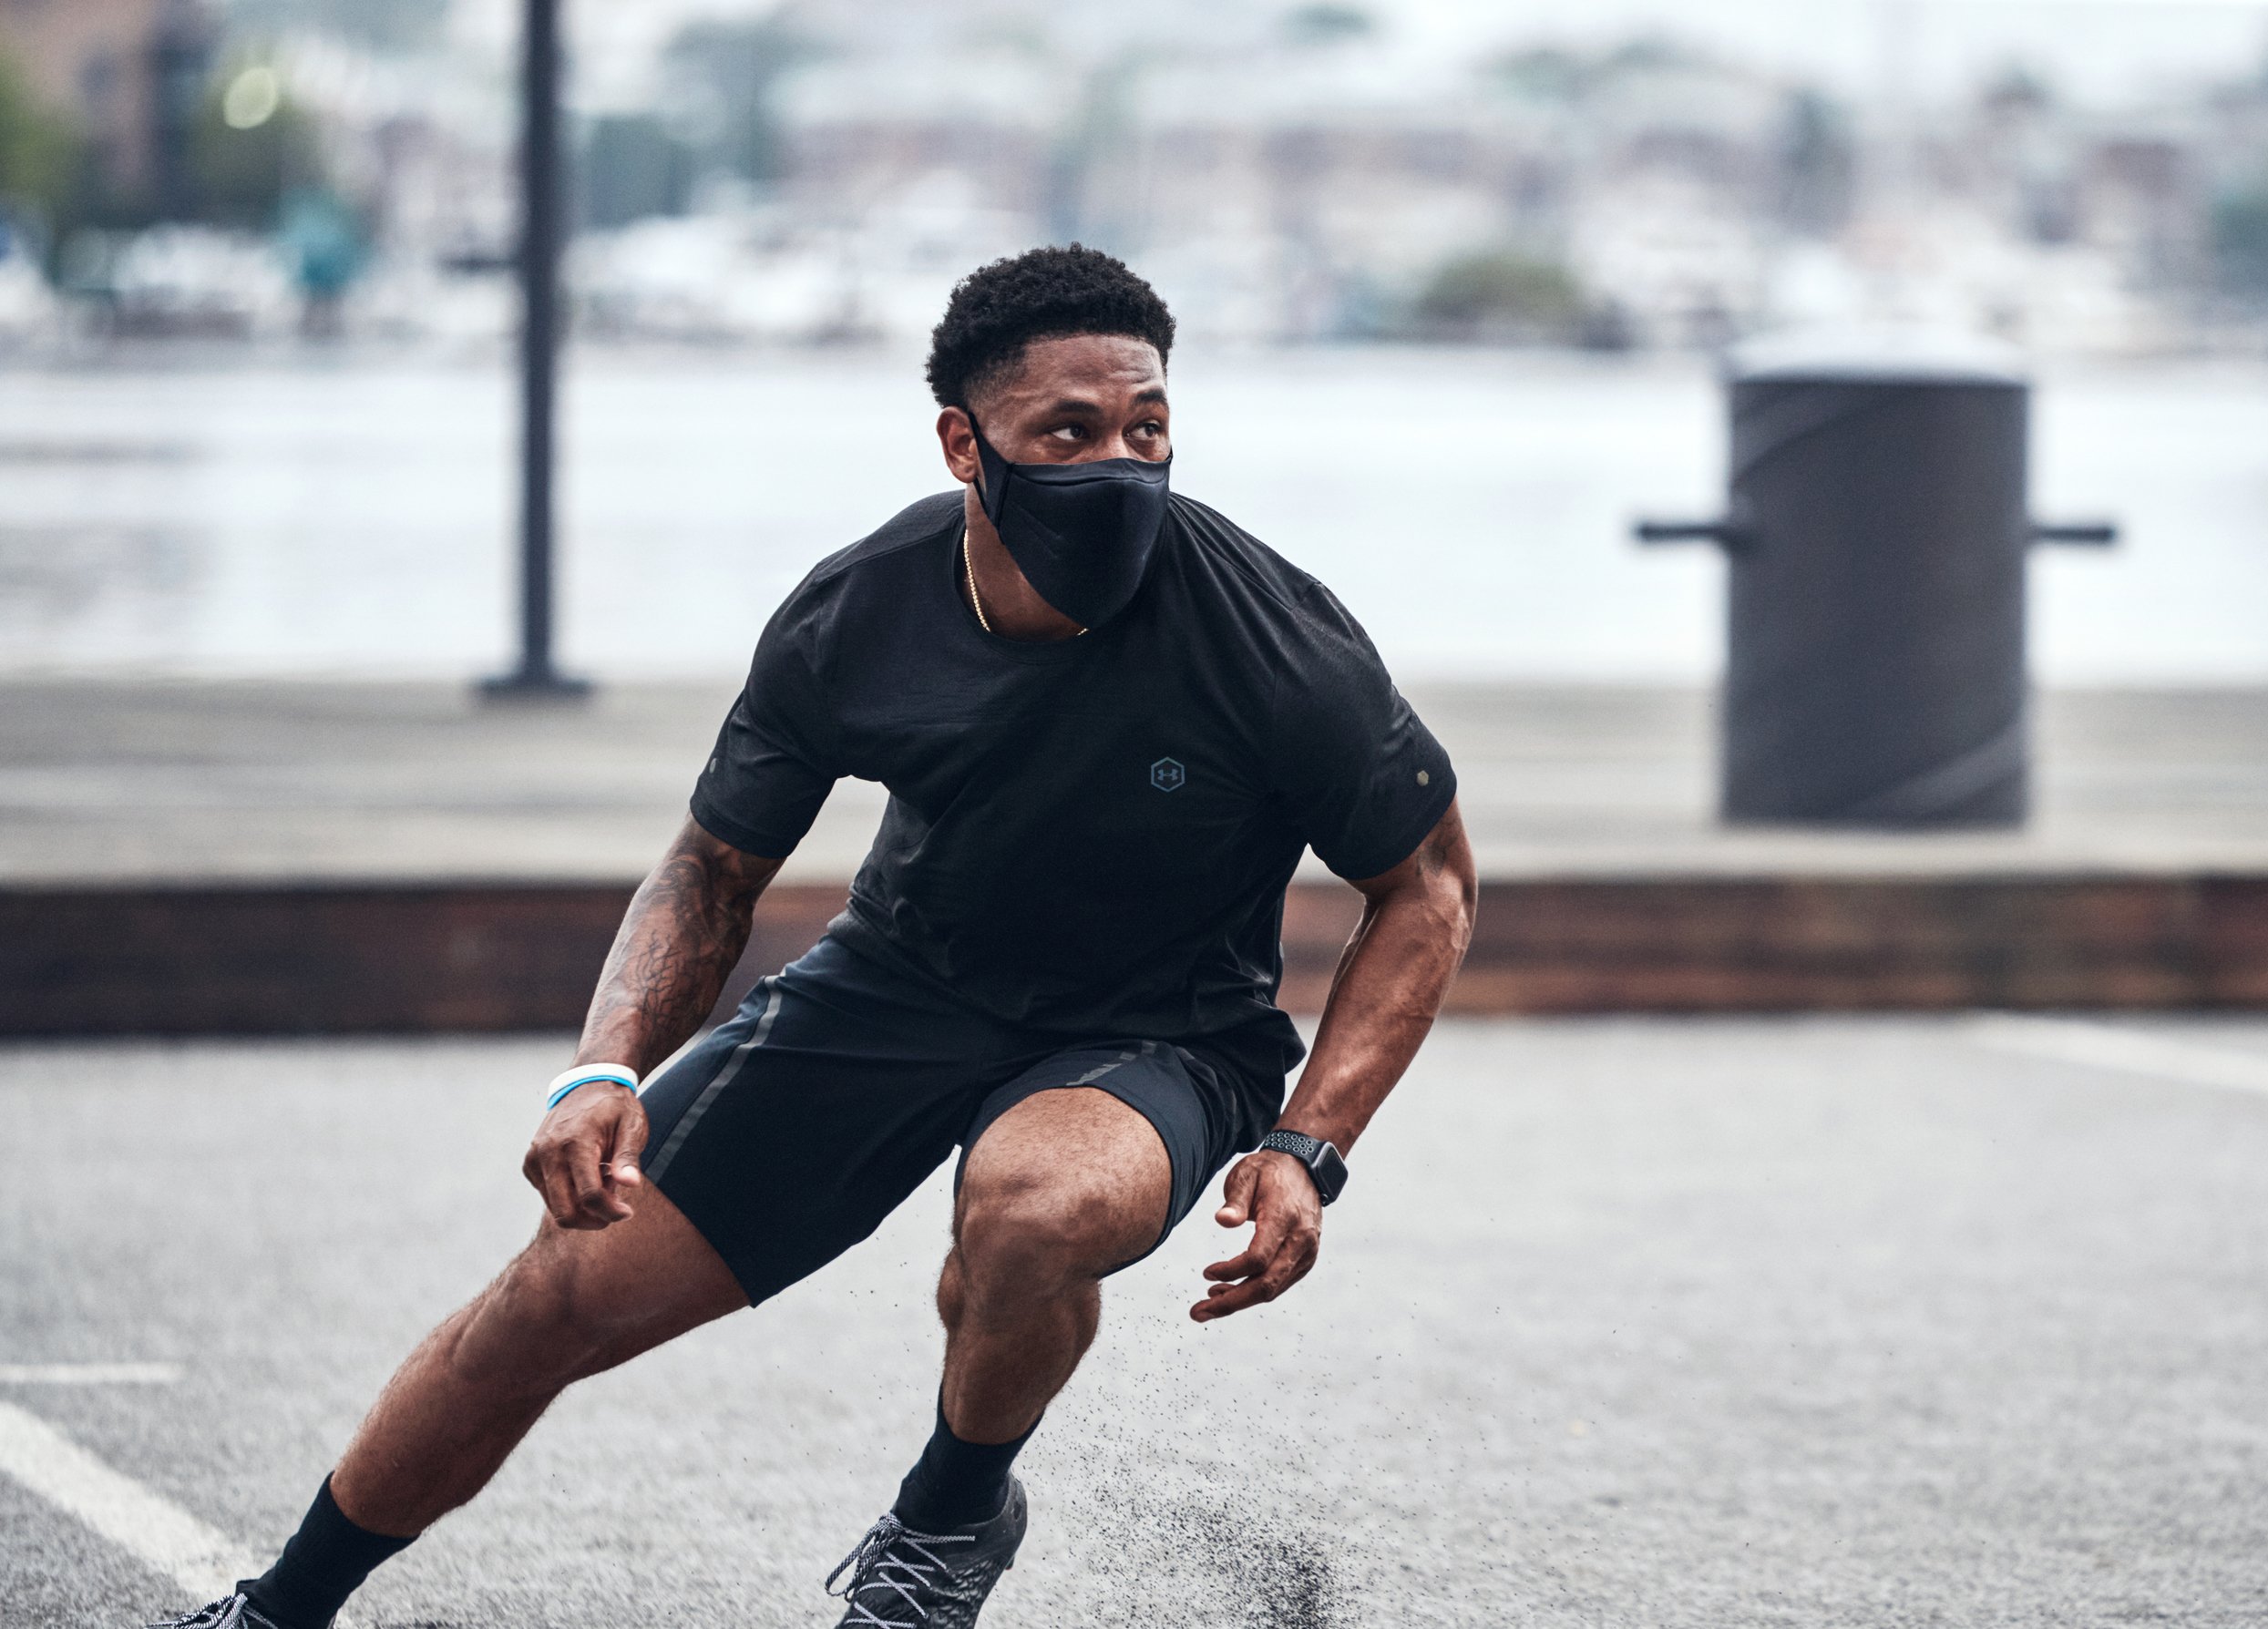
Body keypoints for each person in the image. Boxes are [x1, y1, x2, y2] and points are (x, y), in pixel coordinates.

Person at [148, 244, 1476, 1629]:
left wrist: (1308, 1143)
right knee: (544, 1310)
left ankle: (948, 1519)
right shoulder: (863, 610)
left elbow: (1428, 884)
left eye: (1146, 428)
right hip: (892, 990)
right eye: (1067, 433)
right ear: (967, 445)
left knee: (1029, 1216)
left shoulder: (1272, 633)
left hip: (1157, 1032)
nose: (1119, 465)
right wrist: (599, 1070)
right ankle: (276, 1610)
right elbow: (713, 866)